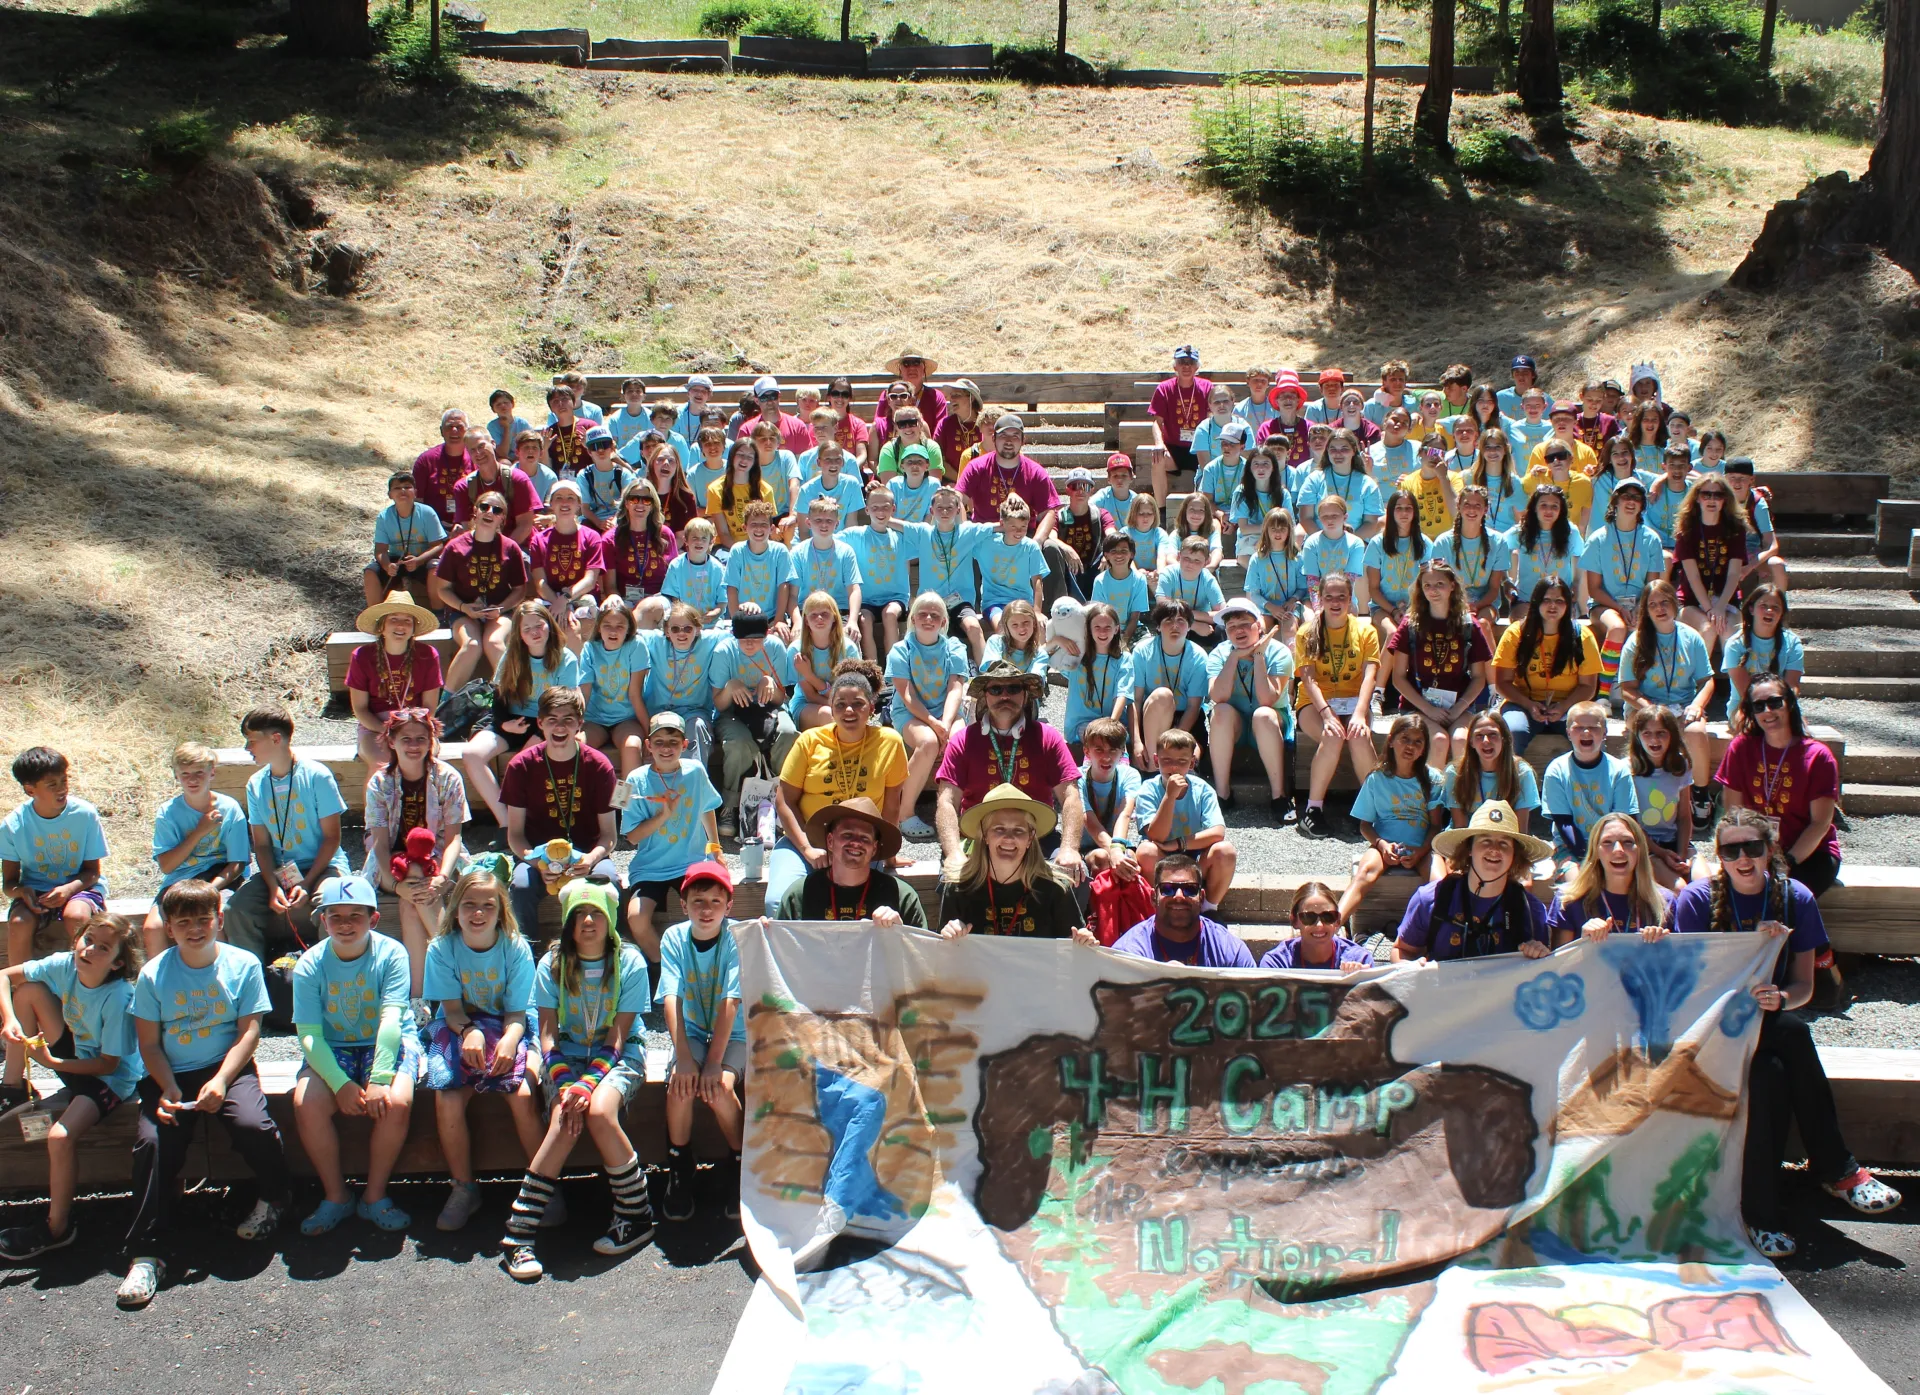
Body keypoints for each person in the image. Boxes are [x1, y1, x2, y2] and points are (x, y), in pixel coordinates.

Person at [1667, 810, 1902, 1257]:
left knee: (1771, 1073)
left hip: (1768, 1022)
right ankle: (1838, 1169)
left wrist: (1778, 999)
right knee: (1792, 1035)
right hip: (1712, 1025)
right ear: (1719, 857)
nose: (1743, 858)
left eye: (1752, 847)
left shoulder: (1794, 898)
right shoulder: (1697, 901)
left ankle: (1760, 1216)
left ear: (1770, 850)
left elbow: (1802, 987)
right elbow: (1690, 988)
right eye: (1730, 850)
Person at [114, 880, 289, 1308]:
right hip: (170, 1072)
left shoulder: (242, 964)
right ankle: (147, 1250)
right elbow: (149, 1044)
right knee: (153, 1141)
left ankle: (274, 1196)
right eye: (184, 922)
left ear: (220, 919)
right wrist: (169, 1085)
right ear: (169, 928)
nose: (195, 929)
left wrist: (222, 1080)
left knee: (252, 1123)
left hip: (227, 1066)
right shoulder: (155, 975)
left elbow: (250, 1033)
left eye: (203, 919)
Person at [500, 880, 656, 1281]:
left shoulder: (630, 963)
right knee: (564, 1120)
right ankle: (519, 1232)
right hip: (564, 1058)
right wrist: (569, 1084)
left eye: (597, 914)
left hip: (619, 1056)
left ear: (611, 921)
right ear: (568, 922)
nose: (588, 921)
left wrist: (588, 1087)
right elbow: (547, 1036)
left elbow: (619, 1037)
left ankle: (636, 1215)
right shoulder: (551, 963)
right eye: (579, 915)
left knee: (601, 1112)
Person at [0, 911, 143, 1258]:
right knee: (28, 991)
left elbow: (108, 1064)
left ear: (116, 963)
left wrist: (53, 1064)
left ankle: (57, 1228)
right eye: (88, 939)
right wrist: (9, 1022)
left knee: (60, 1137)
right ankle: (12, 1088)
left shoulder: (118, 997)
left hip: (107, 1079)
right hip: (75, 1053)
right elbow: (4, 975)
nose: (89, 949)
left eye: (103, 948)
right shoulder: (65, 964)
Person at [290, 876, 418, 1238]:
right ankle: (336, 1195)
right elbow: (310, 1037)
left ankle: (375, 1196)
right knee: (306, 1103)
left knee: (396, 1102)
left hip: (386, 1040)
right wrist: (340, 1084)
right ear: (323, 920)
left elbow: (392, 1019)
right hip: (334, 1045)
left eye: (355, 916)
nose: (345, 925)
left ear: (373, 920)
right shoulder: (309, 966)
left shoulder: (392, 954)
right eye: (335, 916)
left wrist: (379, 1079)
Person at [421, 868, 542, 1233]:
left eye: (487, 906)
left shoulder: (515, 947)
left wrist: (507, 1040)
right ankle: (463, 1187)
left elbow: (518, 1012)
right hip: (463, 1022)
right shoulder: (441, 950)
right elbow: (453, 1010)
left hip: (511, 1022)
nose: (477, 914)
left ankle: (541, 1186)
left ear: (500, 911)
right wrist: (469, 1030)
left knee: (522, 1094)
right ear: (455, 910)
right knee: (448, 1096)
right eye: (469, 905)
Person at [767, 672, 909, 908]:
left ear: (872, 708)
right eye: (840, 705)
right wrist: (806, 847)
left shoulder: (890, 742)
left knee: (862, 904)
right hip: (807, 839)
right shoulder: (810, 741)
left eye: (858, 704)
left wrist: (888, 852)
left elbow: (892, 804)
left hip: (860, 843)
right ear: (831, 710)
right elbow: (784, 801)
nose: (849, 711)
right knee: (776, 902)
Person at [934, 661, 1085, 882]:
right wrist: (953, 852)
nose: (1005, 695)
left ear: (1025, 696)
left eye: (1013, 689)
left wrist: (1070, 848)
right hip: (979, 837)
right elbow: (946, 801)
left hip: (1036, 836)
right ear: (985, 696)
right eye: (996, 689)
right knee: (951, 880)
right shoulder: (963, 740)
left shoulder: (1048, 737)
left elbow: (1071, 795)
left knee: (1074, 877)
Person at [657, 861, 748, 1222]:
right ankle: (679, 1165)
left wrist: (713, 1062)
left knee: (719, 1089)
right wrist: (683, 1058)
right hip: (693, 1030)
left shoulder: (736, 937)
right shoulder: (674, 938)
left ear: (728, 905)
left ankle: (740, 1164)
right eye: (698, 901)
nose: (706, 909)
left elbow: (731, 1000)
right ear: (684, 905)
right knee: (680, 1086)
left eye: (715, 901)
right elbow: (670, 998)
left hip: (735, 1032)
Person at [224, 708, 350, 964]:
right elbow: (261, 844)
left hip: (324, 867)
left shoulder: (317, 776)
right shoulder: (256, 784)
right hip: (280, 871)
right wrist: (272, 887)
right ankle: (254, 986)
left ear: (276, 739)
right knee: (236, 909)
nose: (247, 748)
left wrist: (307, 882)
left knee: (333, 902)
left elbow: (331, 839)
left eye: (252, 740)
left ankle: (328, 976)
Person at [362, 708, 469, 1000]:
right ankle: (456, 967)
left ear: (431, 741)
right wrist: (395, 884)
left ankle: (418, 996)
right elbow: (380, 844)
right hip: (390, 866)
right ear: (391, 741)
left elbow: (454, 837)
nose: (413, 745)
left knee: (410, 905)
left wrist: (444, 877)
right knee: (413, 873)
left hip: (439, 860)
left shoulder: (447, 777)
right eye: (405, 738)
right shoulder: (380, 783)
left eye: (421, 738)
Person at [500, 686, 620, 938]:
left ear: (580, 724)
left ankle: (609, 953)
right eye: (552, 720)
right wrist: (536, 862)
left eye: (568, 720)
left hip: (586, 855)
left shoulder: (600, 766)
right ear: (540, 723)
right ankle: (528, 956)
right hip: (538, 857)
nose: (560, 728)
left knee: (611, 881)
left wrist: (591, 859)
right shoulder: (520, 766)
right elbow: (515, 836)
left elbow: (609, 836)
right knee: (520, 886)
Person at [1715, 676, 1842, 895]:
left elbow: (1820, 824)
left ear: (1789, 703)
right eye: (1758, 706)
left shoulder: (1818, 757)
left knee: (1784, 899)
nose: (1767, 711)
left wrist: (1784, 864)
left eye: (1774, 702)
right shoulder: (1740, 749)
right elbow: (1734, 815)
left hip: (1808, 854)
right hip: (1754, 852)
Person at [463, 600, 584, 826]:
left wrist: (540, 732)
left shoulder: (565, 658)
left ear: (549, 624)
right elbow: (498, 696)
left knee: (518, 764)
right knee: (471, 754)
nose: (534, 633)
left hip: (548, 723)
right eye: (526, 629)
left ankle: (525, 821)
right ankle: (505, 822)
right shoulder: (512, 656)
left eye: (539, 625)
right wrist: (503, 724)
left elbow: (565, 705)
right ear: (519, 634)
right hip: (512, 720)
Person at [617, 712, 722, 962]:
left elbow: (707, 807)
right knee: (636, 918)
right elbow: (631, 836)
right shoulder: (634, 780)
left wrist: (716, 849)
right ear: (648, 745)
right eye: (659, 741)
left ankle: (706, 966)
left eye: (674, 742)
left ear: (685, 745)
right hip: (651, 867)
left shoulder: (695, 771)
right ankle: (666, 973)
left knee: (708, 911)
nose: (666, 748)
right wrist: (663, 815)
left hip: (691, 862)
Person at [1392, 802, 1552, 961]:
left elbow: (1539, 977)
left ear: (1514, 855)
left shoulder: (1532, 912)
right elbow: (1401, 951)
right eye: (1485, 841)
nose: (1494, 849)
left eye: (1504, 843)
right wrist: (1408, 967)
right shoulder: (1430, 899)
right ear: (1469, 848)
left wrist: (1539, 955)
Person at [936, 785, 1091, 942]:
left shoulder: (1056, 886)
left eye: (1018, 830)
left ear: (1030, 838)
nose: (1009, 838)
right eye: (999, 829)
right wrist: (949, 934)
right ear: (984, 835)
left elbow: (1073, 944)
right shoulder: (958, 886)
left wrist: (1083, 940)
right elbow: (942, 954)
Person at [1617, 579, 1716, 820]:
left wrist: (1697, 705)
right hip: (1645, 707)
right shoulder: (1636, 641)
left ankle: (1701, 792)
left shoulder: (1692, 638)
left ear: (1674, 604)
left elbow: (1708, 681)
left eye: (1664, 602)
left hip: (1683, 706)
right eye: (1653, 604)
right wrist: (1652, 710)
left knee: (1695, 732)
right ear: (1646, 610)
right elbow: (1627, 689)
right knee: (1654, 730)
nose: (1660, 608)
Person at [3, 746, 108, 973]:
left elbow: (93, 873)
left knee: (76, 915)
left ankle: (88, 981)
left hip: (80, 887)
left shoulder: (84, 814)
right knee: (19, 923)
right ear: (30, 790)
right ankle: (21, 989)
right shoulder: (13, 825)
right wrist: (23, 892)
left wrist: (69, 889)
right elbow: (9, 884)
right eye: (52, 785)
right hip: (38, 894)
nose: (62, 789)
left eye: (64, 780)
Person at [1292, 573, 1381, 838]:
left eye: (1341, 596)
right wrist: (1327, 714)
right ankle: (1312, 811)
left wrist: (1360, 714)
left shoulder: (1366, 630)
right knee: (1332, 737)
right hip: (1315, 703)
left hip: (1356, 700)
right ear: (1319, 599)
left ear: (1350, 599)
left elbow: (1370, 676)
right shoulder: (1306, 631)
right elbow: (1307, 678)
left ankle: (1372, 811)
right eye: (1328, 596)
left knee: (1358, 735)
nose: (1335, 602)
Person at [142, 742, 249, 961]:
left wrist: (209, 889)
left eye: (199, 773)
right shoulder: (168, 812)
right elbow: (167, 865)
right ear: (177, 776)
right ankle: (159, 987)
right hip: (181, 878)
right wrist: (199, 832)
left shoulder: (229, 808)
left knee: (217, 922)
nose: (192, 780)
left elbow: (238, 863)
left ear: (212, 773)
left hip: (221, 878)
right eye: (185, 774)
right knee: (153, 927)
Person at [1386, 560, 1490, 770]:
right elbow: (1398, 677)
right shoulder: (1410, 624)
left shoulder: (1468, 625)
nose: (1433, 591)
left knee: (1461, 740)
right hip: (1418, 706)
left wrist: (1459, 707)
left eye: (1440, 584)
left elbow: (1479, 677)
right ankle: (1434, 800)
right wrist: (1428, 709)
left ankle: (1458, 800)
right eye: (1427, 586)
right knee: (1440, 740)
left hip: (1458, 706)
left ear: (1452, 585)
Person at [1342, 716, 1444, 924]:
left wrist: (1420, 852)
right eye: (1405, 738)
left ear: (1424, 749)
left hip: (1422, 847)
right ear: (1391, 740)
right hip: (1384, 844)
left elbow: (1436, 825)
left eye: (1418, 741)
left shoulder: (1432, 779)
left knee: (1440, 883)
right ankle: (1333, 922)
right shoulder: (1376, 778)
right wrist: (1381, 845)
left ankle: (1442, 935)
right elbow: (1365, 825)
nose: (1410, 746)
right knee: (1364, 873)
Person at [886, 593, 971, 840]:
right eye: (923, 613)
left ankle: (957, 810)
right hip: (910, 712)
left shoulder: (954, 647)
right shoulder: (901, 650)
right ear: (913, 618)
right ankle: (905, 814)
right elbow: (906, 694)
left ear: (944, 622)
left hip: (947, 711)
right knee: (928, 743)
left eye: (935, 614)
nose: (929, 618)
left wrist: (945, 722)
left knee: (960, 742)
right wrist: (934, 724)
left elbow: (955, 687)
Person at [710, 610, 800, 839]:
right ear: (734, 636)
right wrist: (730, 687)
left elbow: (782, 699)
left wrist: (769, 682)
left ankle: (783, 798)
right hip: (732, 712)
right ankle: (729, 805)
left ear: (767, 635)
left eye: (756, 639)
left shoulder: (776, 648)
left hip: (769, 708)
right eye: (744, 639)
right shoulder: (724, 652)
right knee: (737, 743)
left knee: (789, 734)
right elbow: (719, 705)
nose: (750, 644)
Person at [433, 489, 531, 691]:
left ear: (502, 518)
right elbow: (442, 589)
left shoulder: (510, 548)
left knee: (494, 642)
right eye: (484, 506)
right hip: (462, 611)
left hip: (500, 611)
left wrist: (501, 608)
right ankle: (446, 706)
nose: (490, 512)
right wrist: (464, 607)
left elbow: (520, 590)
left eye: (497, 510)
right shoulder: (455, 547)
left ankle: (511, 700)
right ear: (475, 511)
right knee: (472, 645)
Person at [1204, 597, 1293, 821]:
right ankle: (1222, 794)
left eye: (1244, 623)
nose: (1238, 630)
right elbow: (1218, 696)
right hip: (1236, 724)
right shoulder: (1220, 653)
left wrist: (1259, 656)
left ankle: (1279, 796)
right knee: (1220, 711)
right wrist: (1234, 657)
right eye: (1231, 627)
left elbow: (1267, 700)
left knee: (1262, 715)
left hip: (1271, 722)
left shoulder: (1279, 652)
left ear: (1259, 625)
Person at [777, 797, 928, 925]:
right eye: (847, 835)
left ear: (874, 848)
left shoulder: (901, 897)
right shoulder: (799, 896)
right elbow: (777, 951)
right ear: (830, 841)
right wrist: (764, 931)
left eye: (865, 838)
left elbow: (922, 954)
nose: (856, 843)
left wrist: (900, 934)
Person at [1492, 577, 1599, 755]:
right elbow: (1502, 683)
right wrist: (1529, 705)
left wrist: (1564, 706)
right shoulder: (1516, 633)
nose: (1553, 606)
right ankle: (1511, 781)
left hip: (1569, 704)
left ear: (1568, 605)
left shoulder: (1582, 636)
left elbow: (1588, 686)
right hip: (1522, 703)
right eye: (1546, 600)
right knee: (1514, 732)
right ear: (1535, 602)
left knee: (1589, 733)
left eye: (1559, 601)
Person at [1132, 730, 1237, 908]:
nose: (1174, 767)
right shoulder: (1147, 790)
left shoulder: (1203, 789)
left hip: (1194, 858)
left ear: (1191, 763)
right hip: (1163, 858)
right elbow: (1156, 836)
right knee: (1145, 851)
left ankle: (1209, 908)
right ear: (1156, 761)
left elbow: (1218, 832)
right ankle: (1159, 907)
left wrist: (1179, 844)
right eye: (1167, 761)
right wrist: (1170, 797)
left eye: (1181, 761)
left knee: (1225, 851)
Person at [1584, 478, 1665, 696]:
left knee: (1652, 627)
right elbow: (1594, 589)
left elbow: (1652, 586)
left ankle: (1644, 689)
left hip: (1641, 604)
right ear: (1615, 501)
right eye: (1626, 496)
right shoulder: (1598, 539)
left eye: (1637, 498)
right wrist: (1621, 609)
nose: (1631, 502)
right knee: (1618, 628)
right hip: (1605, 605)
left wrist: (1639, 608)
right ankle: (1603, 694)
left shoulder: (1651, 539)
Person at [346, 595, 444, 770]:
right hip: (376, 726)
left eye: (407, 620)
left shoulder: (428, 655)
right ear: (381, 626)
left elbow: (429, 707)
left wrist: (410, 731)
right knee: (382, 765)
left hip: (417, 723)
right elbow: (360, 709)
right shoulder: (361, 656)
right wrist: (388, 731)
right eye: (393, 619)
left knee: (424, 762)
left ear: (414, 628)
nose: (400, 625)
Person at [1547, 811, 1671, 946]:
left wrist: (1659, 947)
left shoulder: (1665, 902)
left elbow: (1681, 962)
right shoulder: (1568, 901)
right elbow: (1557, 965)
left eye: (1628, 842)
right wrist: (1583, 943)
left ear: (1640, 850)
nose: (1618, 850)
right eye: (1607, 842)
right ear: (1595, 851)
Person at [1542, 701, 1639, 873]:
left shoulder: (1619, 771)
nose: (1586, 732)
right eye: (1579, 727)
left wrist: (1604, 853)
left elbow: (1624, 820)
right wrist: (1585, 856)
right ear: (1568, 733)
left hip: (1613, 845)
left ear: (1604, 733)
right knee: (1576, 882)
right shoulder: (1556, 771)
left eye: (1594, 728)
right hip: (1569, 846)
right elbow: (1563, 822)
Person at [1109, 855, 1254, 967]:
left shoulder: (1230, 950)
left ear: (1202, 897)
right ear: (1153, 897)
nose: (1179, 896)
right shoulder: (1128, 953)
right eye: (1167, 889)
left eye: (1190, 889)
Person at [1671, 475, 1750, 652]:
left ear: (1725, 500)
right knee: (1708, 629)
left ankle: (1735, 680)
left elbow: (1733, 574)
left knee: (1731, 633)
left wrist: (1720, 607)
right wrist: (1710, 610)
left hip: (1726, 599)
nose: (1712, 500)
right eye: (1706, 494)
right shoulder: (1686, 530)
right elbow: (1692, 576)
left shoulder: (1735, 530)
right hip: (1692, 601)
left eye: (1718, 495)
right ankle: (1701, 679)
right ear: (1697, 497)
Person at [1623, 705, 1695, 887]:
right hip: (1646, 846)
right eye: (1647, 733)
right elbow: (1631, 824)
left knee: (1706, 885)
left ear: (1672, 735)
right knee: (1680, 888)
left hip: (1675, 842)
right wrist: (1662, 853)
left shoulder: (1681, 765)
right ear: (1637, 736)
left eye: (1661, 733)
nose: (1654, 739)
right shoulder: (1627, 770)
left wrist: (1682, 855)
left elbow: (1684, 817)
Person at [579, 596, 651, 776]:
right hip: (595, 719)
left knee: (632, 746)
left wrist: (650, 734)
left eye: (620, 626)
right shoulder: (590, 648)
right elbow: (584, 694)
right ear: (599, 628)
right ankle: (586, 802)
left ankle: (624, 801)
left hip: (626, 719)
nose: (613, 631)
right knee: (577, 746)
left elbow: (635, 694)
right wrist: (575, 723)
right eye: (607, 625)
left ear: (628, 629)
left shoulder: (636, 646)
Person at [1131, 599, 1210, 761]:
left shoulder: (1199, 656)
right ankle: (1153, 766)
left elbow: (1193, 706)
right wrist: (1137, 741)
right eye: (1168, 620)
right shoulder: (1142, 651)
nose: (1175, 626)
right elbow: (1136, 700)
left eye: (1181, 621)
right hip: (1152, 715)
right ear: (1158, 627)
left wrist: (1175, 740)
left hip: (1185, 716)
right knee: (1162, 695)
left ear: (1189, 627)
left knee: (1190, 757)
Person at [1443, 712, 1543, 832]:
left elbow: (1520, 830)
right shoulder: (1455, 773)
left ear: (1504, 739)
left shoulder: (1521, 772)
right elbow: (1460, 827)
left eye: (1493, 734)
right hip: (1466, 839)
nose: (1486, 741)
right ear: (1471, 742)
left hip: (1506, 839)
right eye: (1479, 735)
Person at [363, 471, 449, 608]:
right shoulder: (384, 517)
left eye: (407, 487)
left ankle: (438, 613)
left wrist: (419, 560)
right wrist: (386, 565)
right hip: (397, 561)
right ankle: (375, 614)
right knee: (370, 571)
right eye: (397, 488)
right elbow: (380, 550)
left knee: (436, 568)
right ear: (390, 495)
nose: (402, 491)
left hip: (423, 560)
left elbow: (438, 545)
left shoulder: (427, 513)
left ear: (415, 492)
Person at [602, 481, 678, 632]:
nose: (640, 504)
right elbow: (610, 586)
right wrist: (614, 597)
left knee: (648, 608)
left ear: (652, 505)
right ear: (626, 503)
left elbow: (675, 580)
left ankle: (632, 637)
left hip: (659, 599)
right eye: (634, 499)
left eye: (647, 500)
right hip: (624, 599)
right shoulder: (610, 538)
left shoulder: (665, 535)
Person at [528, 480, 606, 626]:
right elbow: (540, 583)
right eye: (559, 498)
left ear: (578, 505)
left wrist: (565, 600)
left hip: (582, 596)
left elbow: (590, 581)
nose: (565, 502)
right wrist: (558, 604)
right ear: (551, 504)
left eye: (570, 498)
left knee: (574, 628)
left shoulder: (592, 537)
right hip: (551, 599)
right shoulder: (538, 540)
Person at [1504, 484, 1583, 625]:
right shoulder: (1520, 531)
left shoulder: (1572, 532)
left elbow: (1579, 557)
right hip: (1526, 600)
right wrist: (1506, 580)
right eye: (1543, 505)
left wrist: (1576, 583)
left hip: (1559, 601)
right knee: (1524, 627)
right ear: (1534, 507)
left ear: (1561, 510)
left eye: (1554, 506)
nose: (1549, 510)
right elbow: (1498, 549)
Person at [789, 590, 863, 730]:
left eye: (825, 614)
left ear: (835, 617)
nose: (819, 618)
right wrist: (839, 708)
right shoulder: (796, 650)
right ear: (806, 620)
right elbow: (810, 696)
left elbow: (849, 692)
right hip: (806, 705)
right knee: (828, 715)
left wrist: (809, 675)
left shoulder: (848, 648)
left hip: (843, 703)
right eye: (813, 615)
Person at [1259, 880, 1374, 970]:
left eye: (1328, 917)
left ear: (1337, 920)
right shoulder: (1277, 963)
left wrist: (1359, 980)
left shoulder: (1360, 960)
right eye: (1309, 917)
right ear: (1295, 921)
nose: (1319, 925)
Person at [452, 430, 540, 545]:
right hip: (481, 547)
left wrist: (502, 552)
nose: (478, 453)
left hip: (518, 546)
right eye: (472, 450)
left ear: (493, 443)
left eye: (481, 446)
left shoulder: (517, 479)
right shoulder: (463, 487)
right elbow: (467, 528)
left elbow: (525, 525)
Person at [1077, 718, 1141, 876]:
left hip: (1117, 842)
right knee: (1101, 858)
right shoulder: (1076, 777)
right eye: (1099, 750)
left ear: (1122, 752)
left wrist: (1118, 849)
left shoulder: (1130, 775)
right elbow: (1088, 819)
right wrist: (1114, 852)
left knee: (1131, 860)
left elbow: (1124, 814)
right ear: (1087, 752)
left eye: (1113, 750)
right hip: (1085, 847)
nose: (1106, 757)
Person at [725, 499, 798, 636]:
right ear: (745, 527)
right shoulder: (737, 551)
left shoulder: (780, 551)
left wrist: (778, 620)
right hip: (744, 616)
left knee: (780, 639)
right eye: (754, 524)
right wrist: (736, 621)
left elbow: (783, 586)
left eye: (764, 524)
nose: (759, 528)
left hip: (771, 617)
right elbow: (732, 588)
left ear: (771, 529)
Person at [1147, 346, 1213, 497]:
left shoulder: (1207, 387)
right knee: (1157, 459)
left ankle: (1206, 505)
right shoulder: (1164, 388)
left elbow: (1211, 418)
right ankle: (1161, 509)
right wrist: (1159, 444)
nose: (1186, 366)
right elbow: (1157, 422)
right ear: (1175, 366)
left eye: (1191, 362)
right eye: (1182, 362)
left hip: (1199, 447)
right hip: (1174, 448)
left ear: (1197, 366)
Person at [1365, 489, 1426, 652]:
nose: (1403, 512)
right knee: (1393, 633)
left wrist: (1411, 610)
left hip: (1415, 608)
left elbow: (1428, 584)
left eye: (1408, 508)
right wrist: (1393, 610)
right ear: (1390, 512)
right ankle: (1378, 678)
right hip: (1382, 608)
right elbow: (1373, 589)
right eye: (1398, 508)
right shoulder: (1378, 543)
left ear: (1415, 512)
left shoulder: (1424, 543)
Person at [1722, 584, 1803, 703]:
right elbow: (1745, 693)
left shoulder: (1793, 643)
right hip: (1744, 706)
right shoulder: (1735, 644)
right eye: (1763, 606)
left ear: (1781, 614)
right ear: (1751, 609)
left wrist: (1782, 707)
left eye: (1775, 607)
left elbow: (1792, 686)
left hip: (1781, 705)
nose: (1769, 610)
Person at [1244, 506, 1307, 644]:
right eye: (1273, 528)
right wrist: (1270, 607)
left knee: (1289, 630)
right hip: (1265, 607)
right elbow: (1253, 593)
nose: (1278, 533)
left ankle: (1291, 663)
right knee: (1259, 630)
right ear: (1266, 530)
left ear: (1290, 531)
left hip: (1288, 607)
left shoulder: (1296, 558)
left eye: (1282, 529)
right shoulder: (1257, 558)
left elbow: (1302, 588)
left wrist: (1292, 600)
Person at [661, 516, 726, 626]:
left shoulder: (718, 568)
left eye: (704, 538)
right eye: (694, 538)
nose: (699, 542)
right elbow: (674, 598)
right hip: (683, 621)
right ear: (685, 540)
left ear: (712, 541)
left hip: (712, 623)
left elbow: (723, 602)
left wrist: (714, 614)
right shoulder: (676, 566)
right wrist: (685, 616)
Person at [414, 408, 474, 523]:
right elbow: (417, 503)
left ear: (468, 431)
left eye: (459, 426)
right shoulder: (426, 460)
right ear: (441, 431)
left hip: (469, 527)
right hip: (433, 527)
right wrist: (433, 527)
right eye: (449, 427)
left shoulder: (477, 458)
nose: (454, 430)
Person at [1091, 531, 1154, 640]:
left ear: (1132, 554)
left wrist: (1124, 641)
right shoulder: (1100, 581)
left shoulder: (1139, 579)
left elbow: (1135, 617)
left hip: (1133, 628)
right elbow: (1098, 614)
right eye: (1113, 551)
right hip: (1107, 628)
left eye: (1124, 551)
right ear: (1106, 555)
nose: (1119, 555)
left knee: (1146, 646)